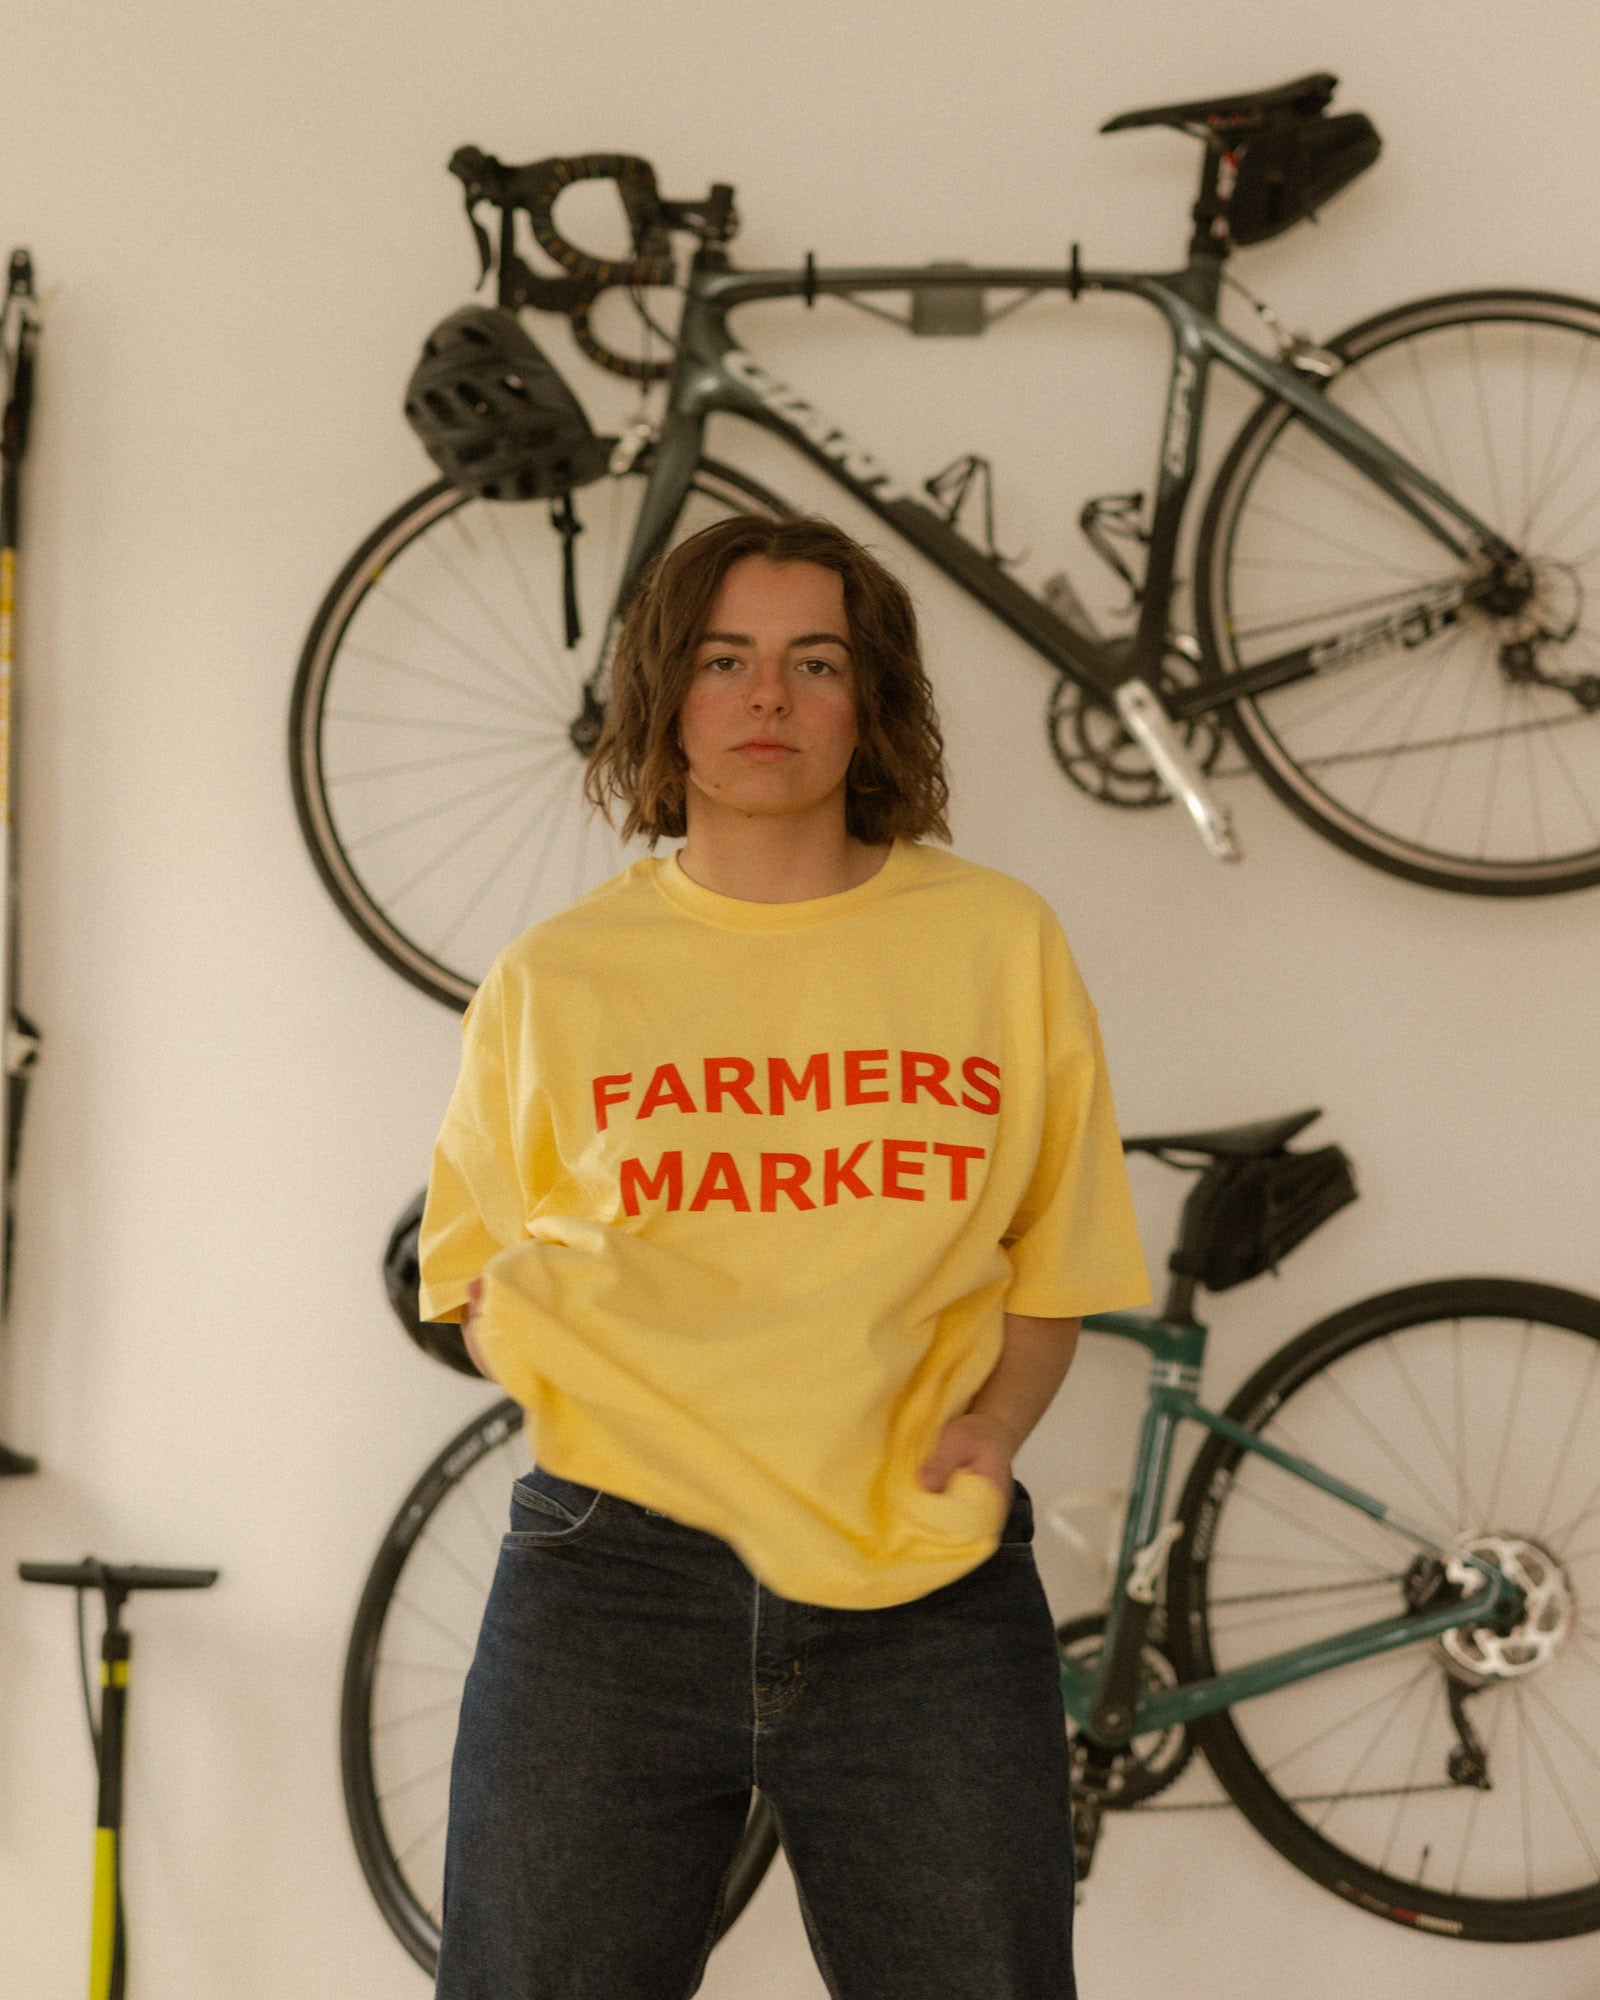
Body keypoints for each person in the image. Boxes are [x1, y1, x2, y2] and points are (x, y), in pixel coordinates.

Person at [418, 513, 1150, 2000]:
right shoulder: (557, 978)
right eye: (724, 661)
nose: (767, 699)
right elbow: (468, 1273)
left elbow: (1055, 1268)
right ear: (662, 698)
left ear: (867, 700)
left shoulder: (998, 944)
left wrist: (996, 1433)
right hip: (611, 1580)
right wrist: (530, 1343)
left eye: (815, 662)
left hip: (924, 1600)